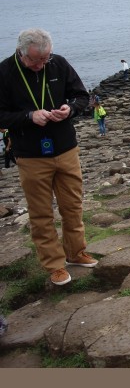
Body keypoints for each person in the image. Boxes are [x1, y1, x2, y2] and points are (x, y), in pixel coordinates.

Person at [0, 28, 97, 286]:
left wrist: (70, 109)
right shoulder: (5, 72)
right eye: (35, 60)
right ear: (21, 53)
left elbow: (81, 96)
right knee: (41, 213)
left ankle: (76, 253)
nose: (41, 65)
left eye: (45, 59)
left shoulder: (59, 63)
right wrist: (28, 116)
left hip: (65, 148)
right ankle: (54, 265)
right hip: (31, 155)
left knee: (72, 206)